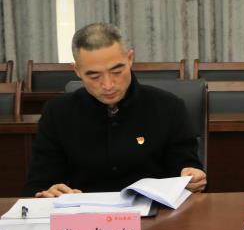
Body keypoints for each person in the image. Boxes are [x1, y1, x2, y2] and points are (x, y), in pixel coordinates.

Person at [23, 23, 207, 197]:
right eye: (94, 76)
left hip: (156, 215)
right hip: (84, 215)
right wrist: (48, 192)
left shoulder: (169, 107)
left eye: (116, 72)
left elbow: (187, 168)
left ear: (130, 59)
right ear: (77, 70)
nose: (108, 85)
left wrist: (191, 177)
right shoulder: (57, 113)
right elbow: (38, 184)